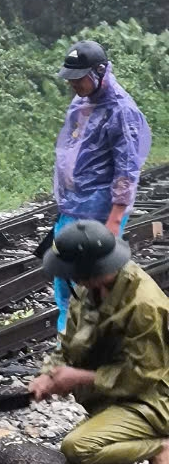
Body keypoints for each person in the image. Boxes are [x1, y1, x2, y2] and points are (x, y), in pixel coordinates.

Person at [29, 219, 169, 464]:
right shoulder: (87, 290)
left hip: (153, 399)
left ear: (91, 270)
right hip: (113, 397)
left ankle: (161, 446)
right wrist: (49, 373)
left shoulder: (144, 305)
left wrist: (80, 377)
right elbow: (68, 345)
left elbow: (144, 375)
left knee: (77, 448)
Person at [52, 39, 150, 334]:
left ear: (99, 71)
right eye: (70, 78)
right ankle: (67, 344)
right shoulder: (81, 102)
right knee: (65, 283)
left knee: (94, 289)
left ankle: (96, 351)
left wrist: (114, 220)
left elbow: (127, 169)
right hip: (71, 207)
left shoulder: (121, 110)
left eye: (78, 78)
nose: (74, 84)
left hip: (99, 213)